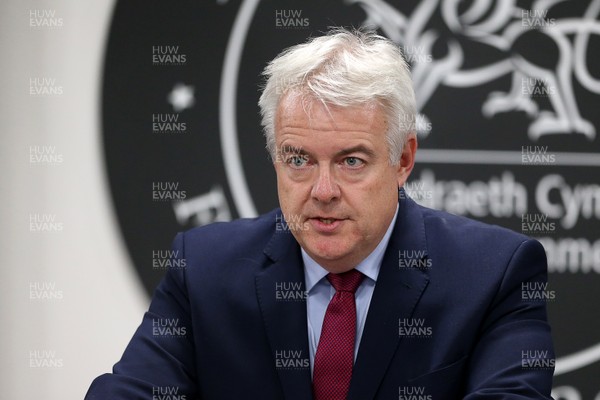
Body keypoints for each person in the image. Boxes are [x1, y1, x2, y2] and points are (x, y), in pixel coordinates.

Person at [86, 28, 554, 399]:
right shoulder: (204, 270)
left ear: (403, 160)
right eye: (299, 160)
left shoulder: (494, 274)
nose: (323, 191)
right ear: (275, 159)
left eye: (351, 161)